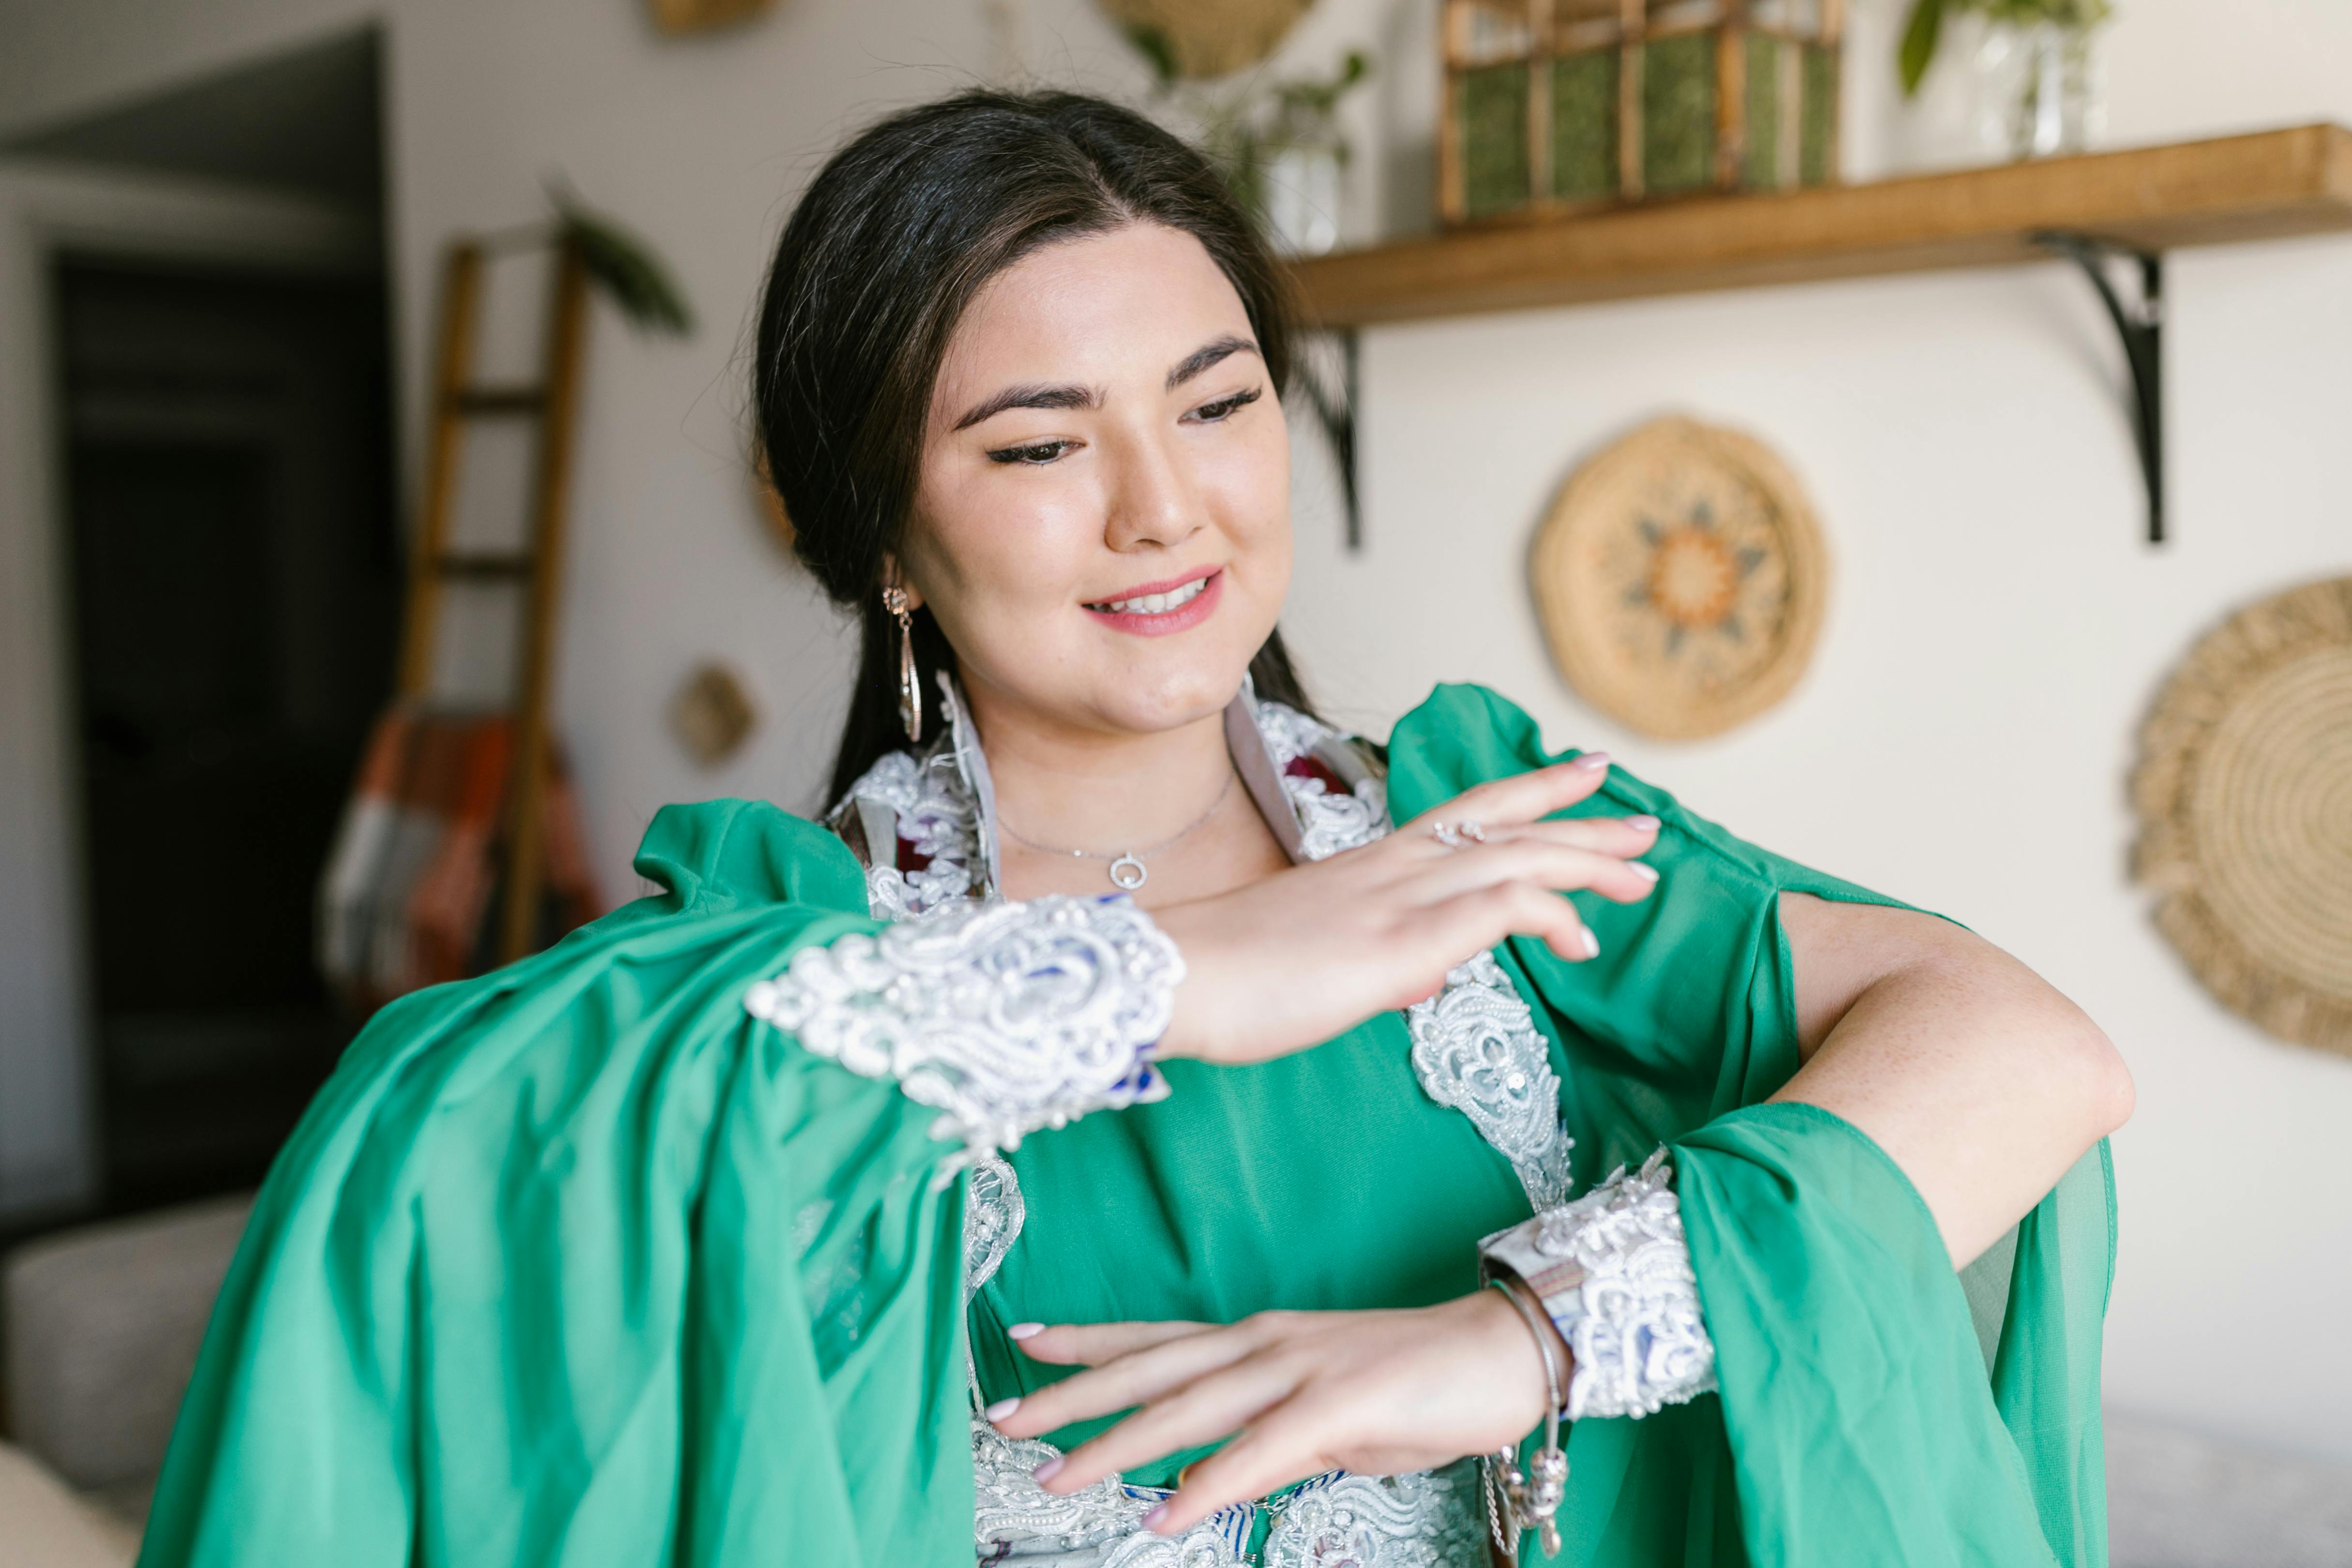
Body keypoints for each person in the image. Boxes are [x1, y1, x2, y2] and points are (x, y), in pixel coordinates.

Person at [137, 90, 2131, 1568]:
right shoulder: (786, 945)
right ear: (886, 540)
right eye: (1035, 444)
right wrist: (1158, 977)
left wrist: (1513, 1336)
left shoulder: (1486, 840)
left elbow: (2026, 1050)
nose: (1163, 507)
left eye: (1215, 401)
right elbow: (425, 1173)